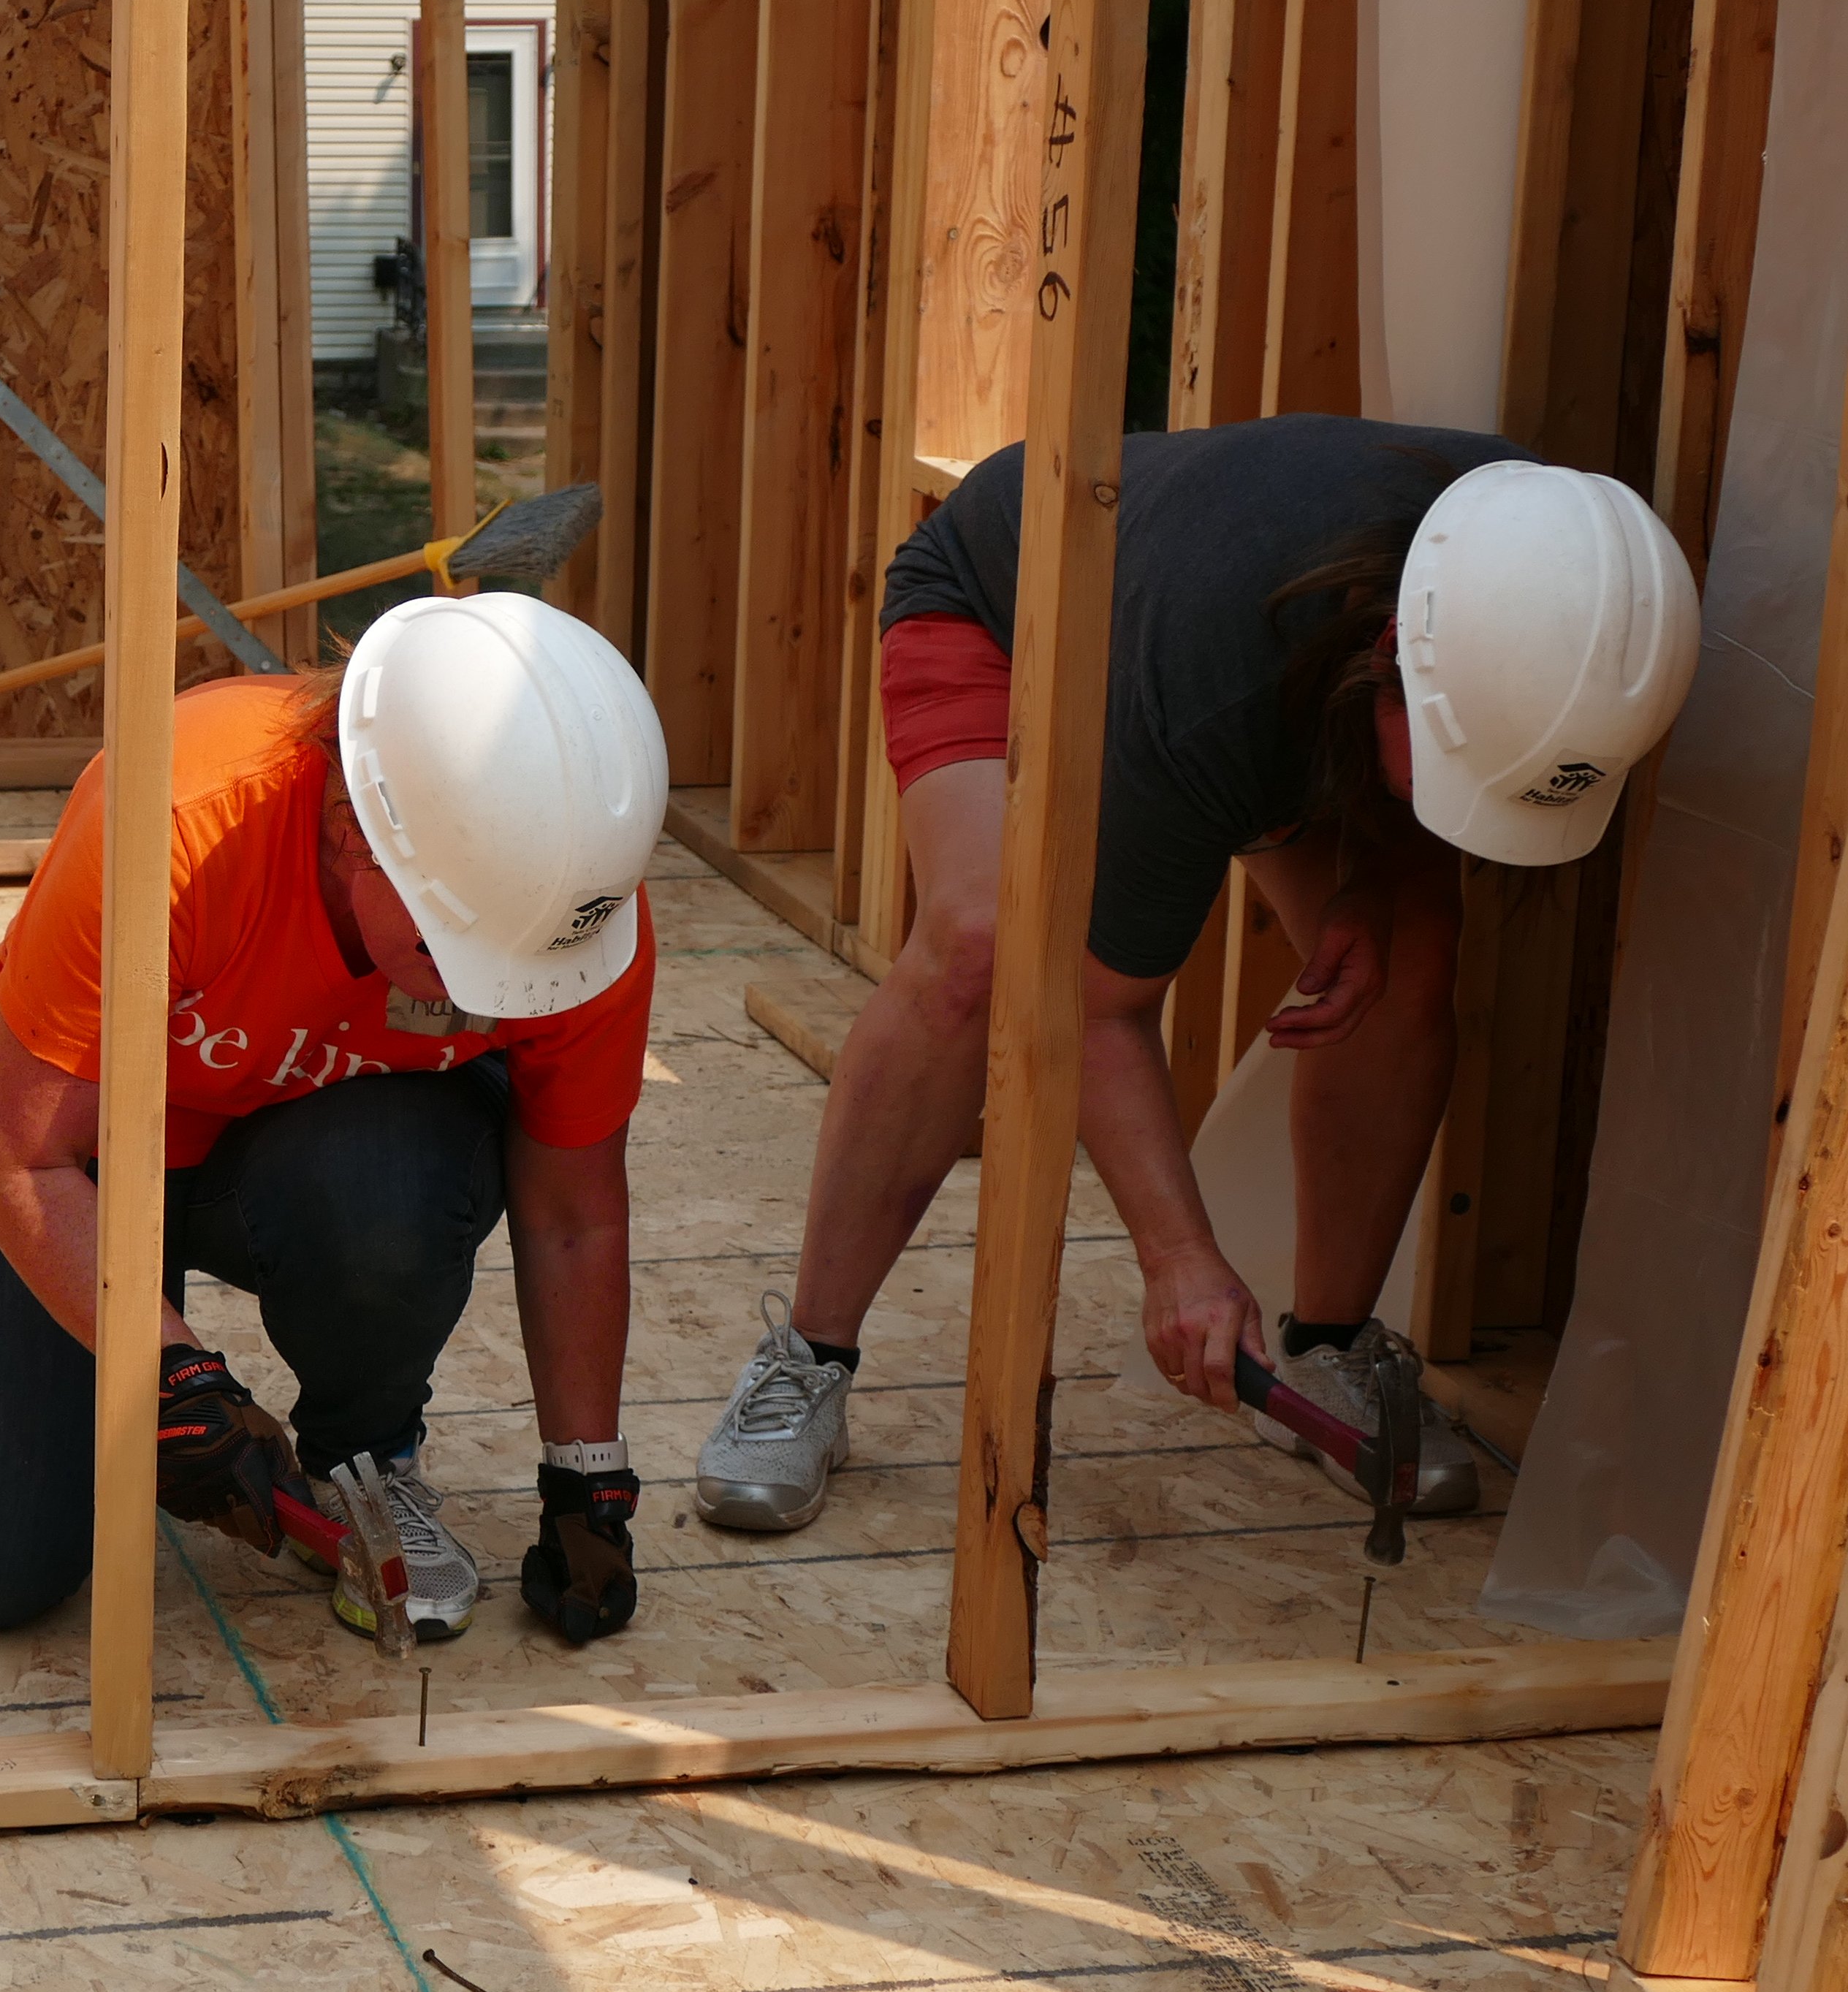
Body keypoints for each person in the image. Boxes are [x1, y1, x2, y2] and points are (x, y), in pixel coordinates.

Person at [693, 417, 1697, 1529]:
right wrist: (1178, 1258)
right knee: (983, 949)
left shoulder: (1560, 579)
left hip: (1259, 652)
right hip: (1008, 601)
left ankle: (1327, 1350)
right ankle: (808, 1359)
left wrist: (1384, 878)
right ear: (1387, 666)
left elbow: (1462, 751)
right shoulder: (1214, 673)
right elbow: (1096, 1008)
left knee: (1406, 958)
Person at [0, 593, 669, 1648]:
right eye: (462, 960)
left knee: (390, 1188)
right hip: (79, 1150)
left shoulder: (565, 907)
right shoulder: (179, 820)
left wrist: (585, 1479)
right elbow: (24, 1152)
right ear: (349, 835)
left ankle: (367, 1460)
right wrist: (175, 1375)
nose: (507, 1002)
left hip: (315, 1154)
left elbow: (571, 1210)